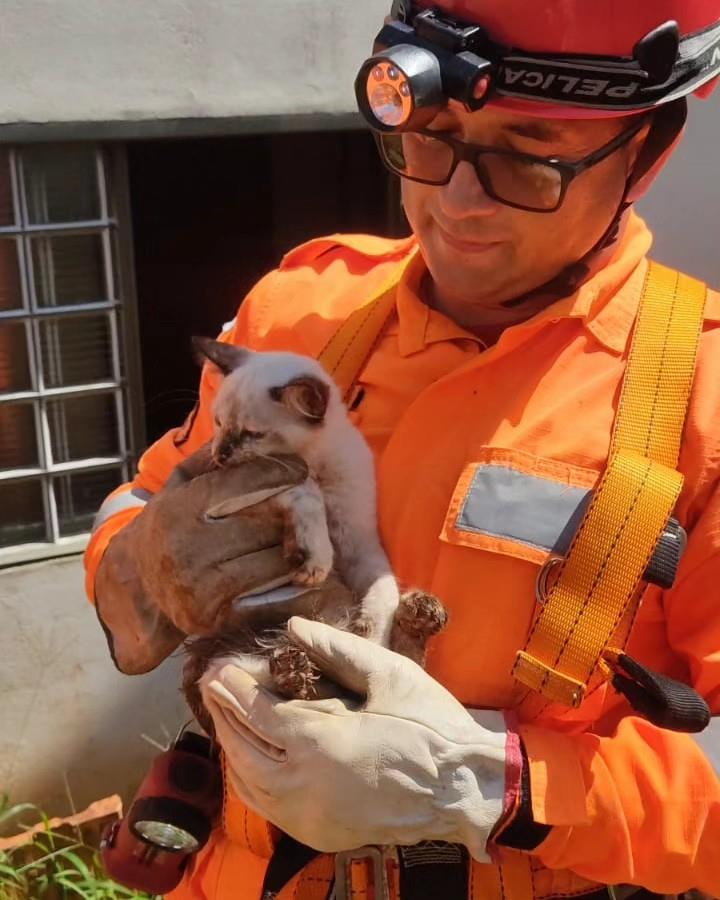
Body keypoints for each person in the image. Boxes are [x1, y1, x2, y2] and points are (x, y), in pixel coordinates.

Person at [85, 1, 720, 898]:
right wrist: (144, 564)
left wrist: (499, 785)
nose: (457, 202)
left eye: (530, 156)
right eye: (431, 138)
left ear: (648, 152)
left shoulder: (700, 398)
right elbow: (140, 506)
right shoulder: (302, 315)